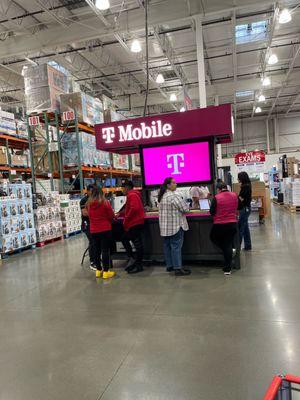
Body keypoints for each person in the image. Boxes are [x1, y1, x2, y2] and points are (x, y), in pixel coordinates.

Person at [158, 178, 191, 276]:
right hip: (175, 226)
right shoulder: (174, 196)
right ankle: (178, 268)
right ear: (168, 185)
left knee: (167, 247)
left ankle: (170, 266)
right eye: (174, 183)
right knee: (176, 247)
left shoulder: (162, 196)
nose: (176, 184)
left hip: (165, 228)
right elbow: (185, 209)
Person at [210, 182, 238, 275]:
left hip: (219, 225)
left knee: (213, 237)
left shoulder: (217, 198)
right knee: (228, 244)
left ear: (218, 189)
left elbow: (212, 212)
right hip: (232, 224)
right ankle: (228, 268)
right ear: (226, 187)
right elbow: (239, 206)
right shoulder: (234, 195)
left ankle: (228, 255)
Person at [86, 187, 115, 279]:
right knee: (105, 250)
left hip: (94, 230)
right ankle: (106, 272)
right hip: (105, 229)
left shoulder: (88, 204)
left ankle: (98, 270)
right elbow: (111, 215)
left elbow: (89, 216)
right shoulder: (105, 203)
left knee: (96, 250)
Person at [119, 180, 145, 274]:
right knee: (136, 243)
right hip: (137, 222)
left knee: (130, 241)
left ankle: (136, 263)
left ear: (127, 187)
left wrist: (127, 217)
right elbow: (131, 207)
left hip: (135, 223)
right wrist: (122, 213)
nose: (122, 190)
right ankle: (136, 262)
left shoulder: (131, 195)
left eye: (122, 188)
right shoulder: (133, 194)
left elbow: (134, 208)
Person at [80, 184, 96, 271]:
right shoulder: (84, 200)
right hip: (87, 224)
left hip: (95, 223)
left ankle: (97, 257)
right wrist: (97, 213)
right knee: (92, 241)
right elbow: (85, 213)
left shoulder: (96, 199)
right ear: (88, 191)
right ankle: (92, 261)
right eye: (92, 191)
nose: (93, 193)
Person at [238, 171, 252, 251]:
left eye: (239, 177)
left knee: (241, 228)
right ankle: (248, 245)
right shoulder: (247, 185)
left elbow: (241, 198)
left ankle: (237, 246)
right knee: (245, 228)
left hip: (244, 209)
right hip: (246, 208)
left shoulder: (245, 187)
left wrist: (237, 197)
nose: (238, 179)